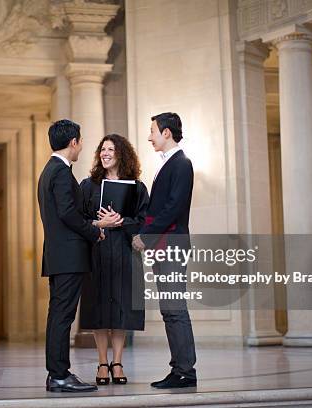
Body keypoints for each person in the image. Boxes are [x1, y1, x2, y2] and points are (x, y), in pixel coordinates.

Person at [37, 119, 112, 393]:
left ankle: (57, 374)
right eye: (80, 142)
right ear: (73, 142)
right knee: (62, 316)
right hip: (68, 255)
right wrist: (94, 232)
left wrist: (94, 225)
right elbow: (67, 213)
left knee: (59, 315)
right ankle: (58, 375)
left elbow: (66, 213)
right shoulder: (59, 172)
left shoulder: (51, 170)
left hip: (60, 255)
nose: (81, 147)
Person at [132, 112, 197, 389]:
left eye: (152, 131)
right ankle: (179, 369)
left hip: (171, 244)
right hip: (165, 245)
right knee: (169, 310)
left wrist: (145, 235)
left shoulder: (181, 163)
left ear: (166, 133)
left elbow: (173, 208)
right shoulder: (168, 163)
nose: (149, 137)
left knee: (175, 309)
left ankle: (185, 371)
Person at [79, 134, 148, 386]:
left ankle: (117, 362)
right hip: (96, 252)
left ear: (122, 154)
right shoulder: (88, 185)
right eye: (102, 149)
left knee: (120, 309)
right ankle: (101, 362)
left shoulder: (137, 187)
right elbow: (78, 220)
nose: (105, 153)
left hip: (125, 253)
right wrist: (100, 222)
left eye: (111, 149)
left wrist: (120, 220)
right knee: (99, 309)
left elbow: (144, 221)